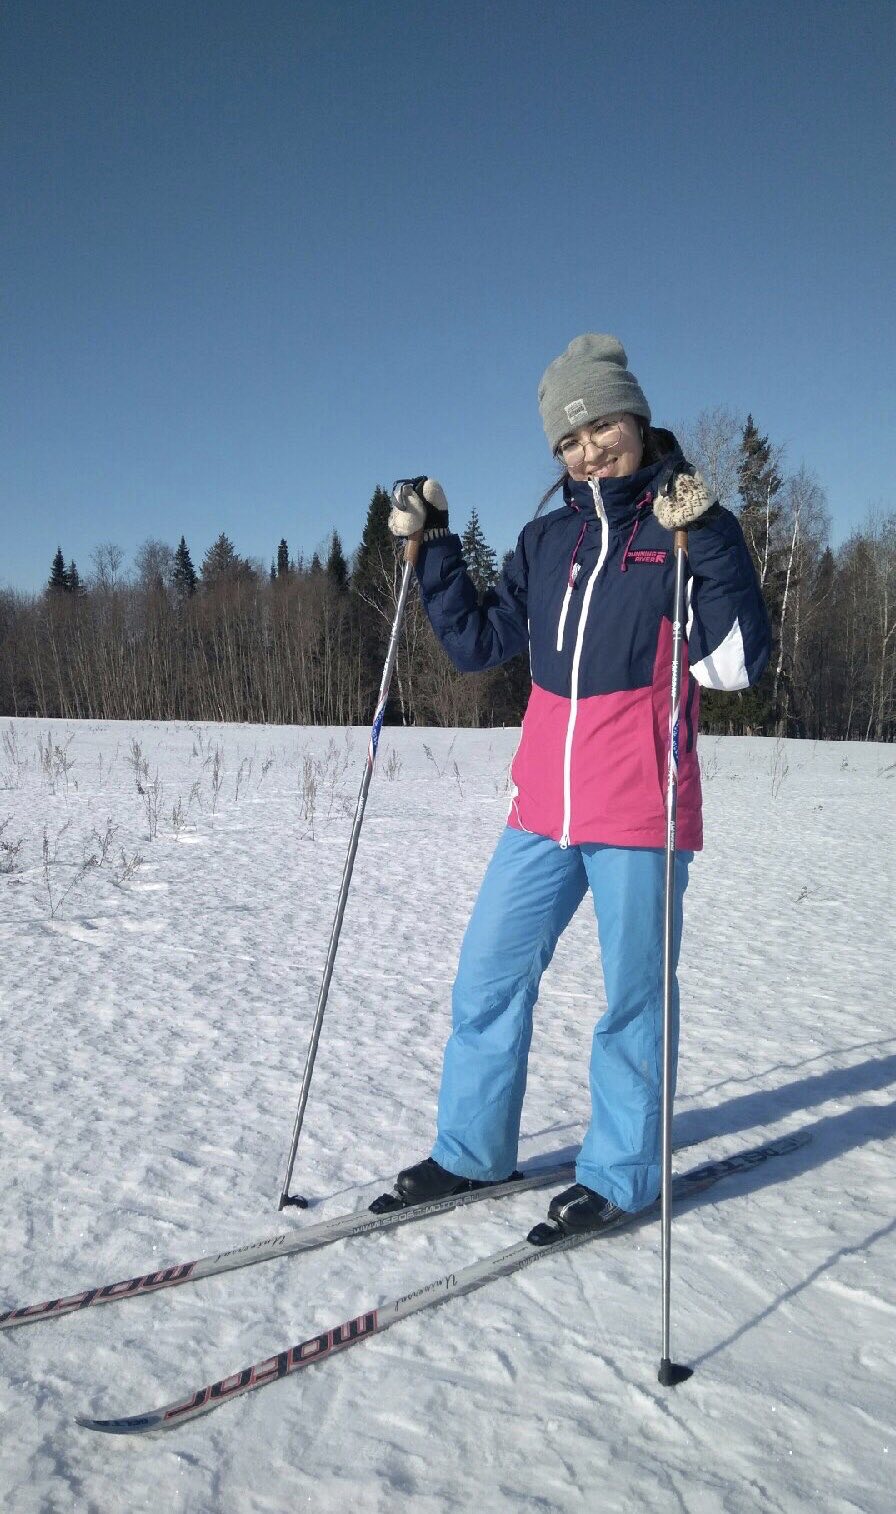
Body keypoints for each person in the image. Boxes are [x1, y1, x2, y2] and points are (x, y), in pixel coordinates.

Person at [387, 333, 770, 1233]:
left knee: (634, 1002)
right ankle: (470, 1153)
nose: (588, 451)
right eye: (568, 440)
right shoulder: (547, 537)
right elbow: (478, 644)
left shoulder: (680, 529)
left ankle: (621, 1173)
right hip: (542, 809)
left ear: (634, 419)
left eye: (601, 428)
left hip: (640, 808)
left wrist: (711, 531)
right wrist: (433, 548)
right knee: (488, 979)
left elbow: (734, 665)